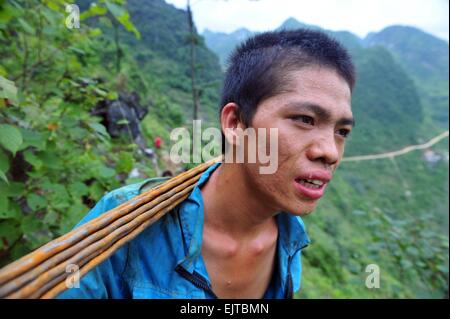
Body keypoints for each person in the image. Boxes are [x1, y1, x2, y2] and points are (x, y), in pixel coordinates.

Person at [58, 28, 355, 299]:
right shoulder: (125, 225)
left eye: (342, 131)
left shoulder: (291, 238)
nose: (330, 151)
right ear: (236, 123)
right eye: (304, 119)